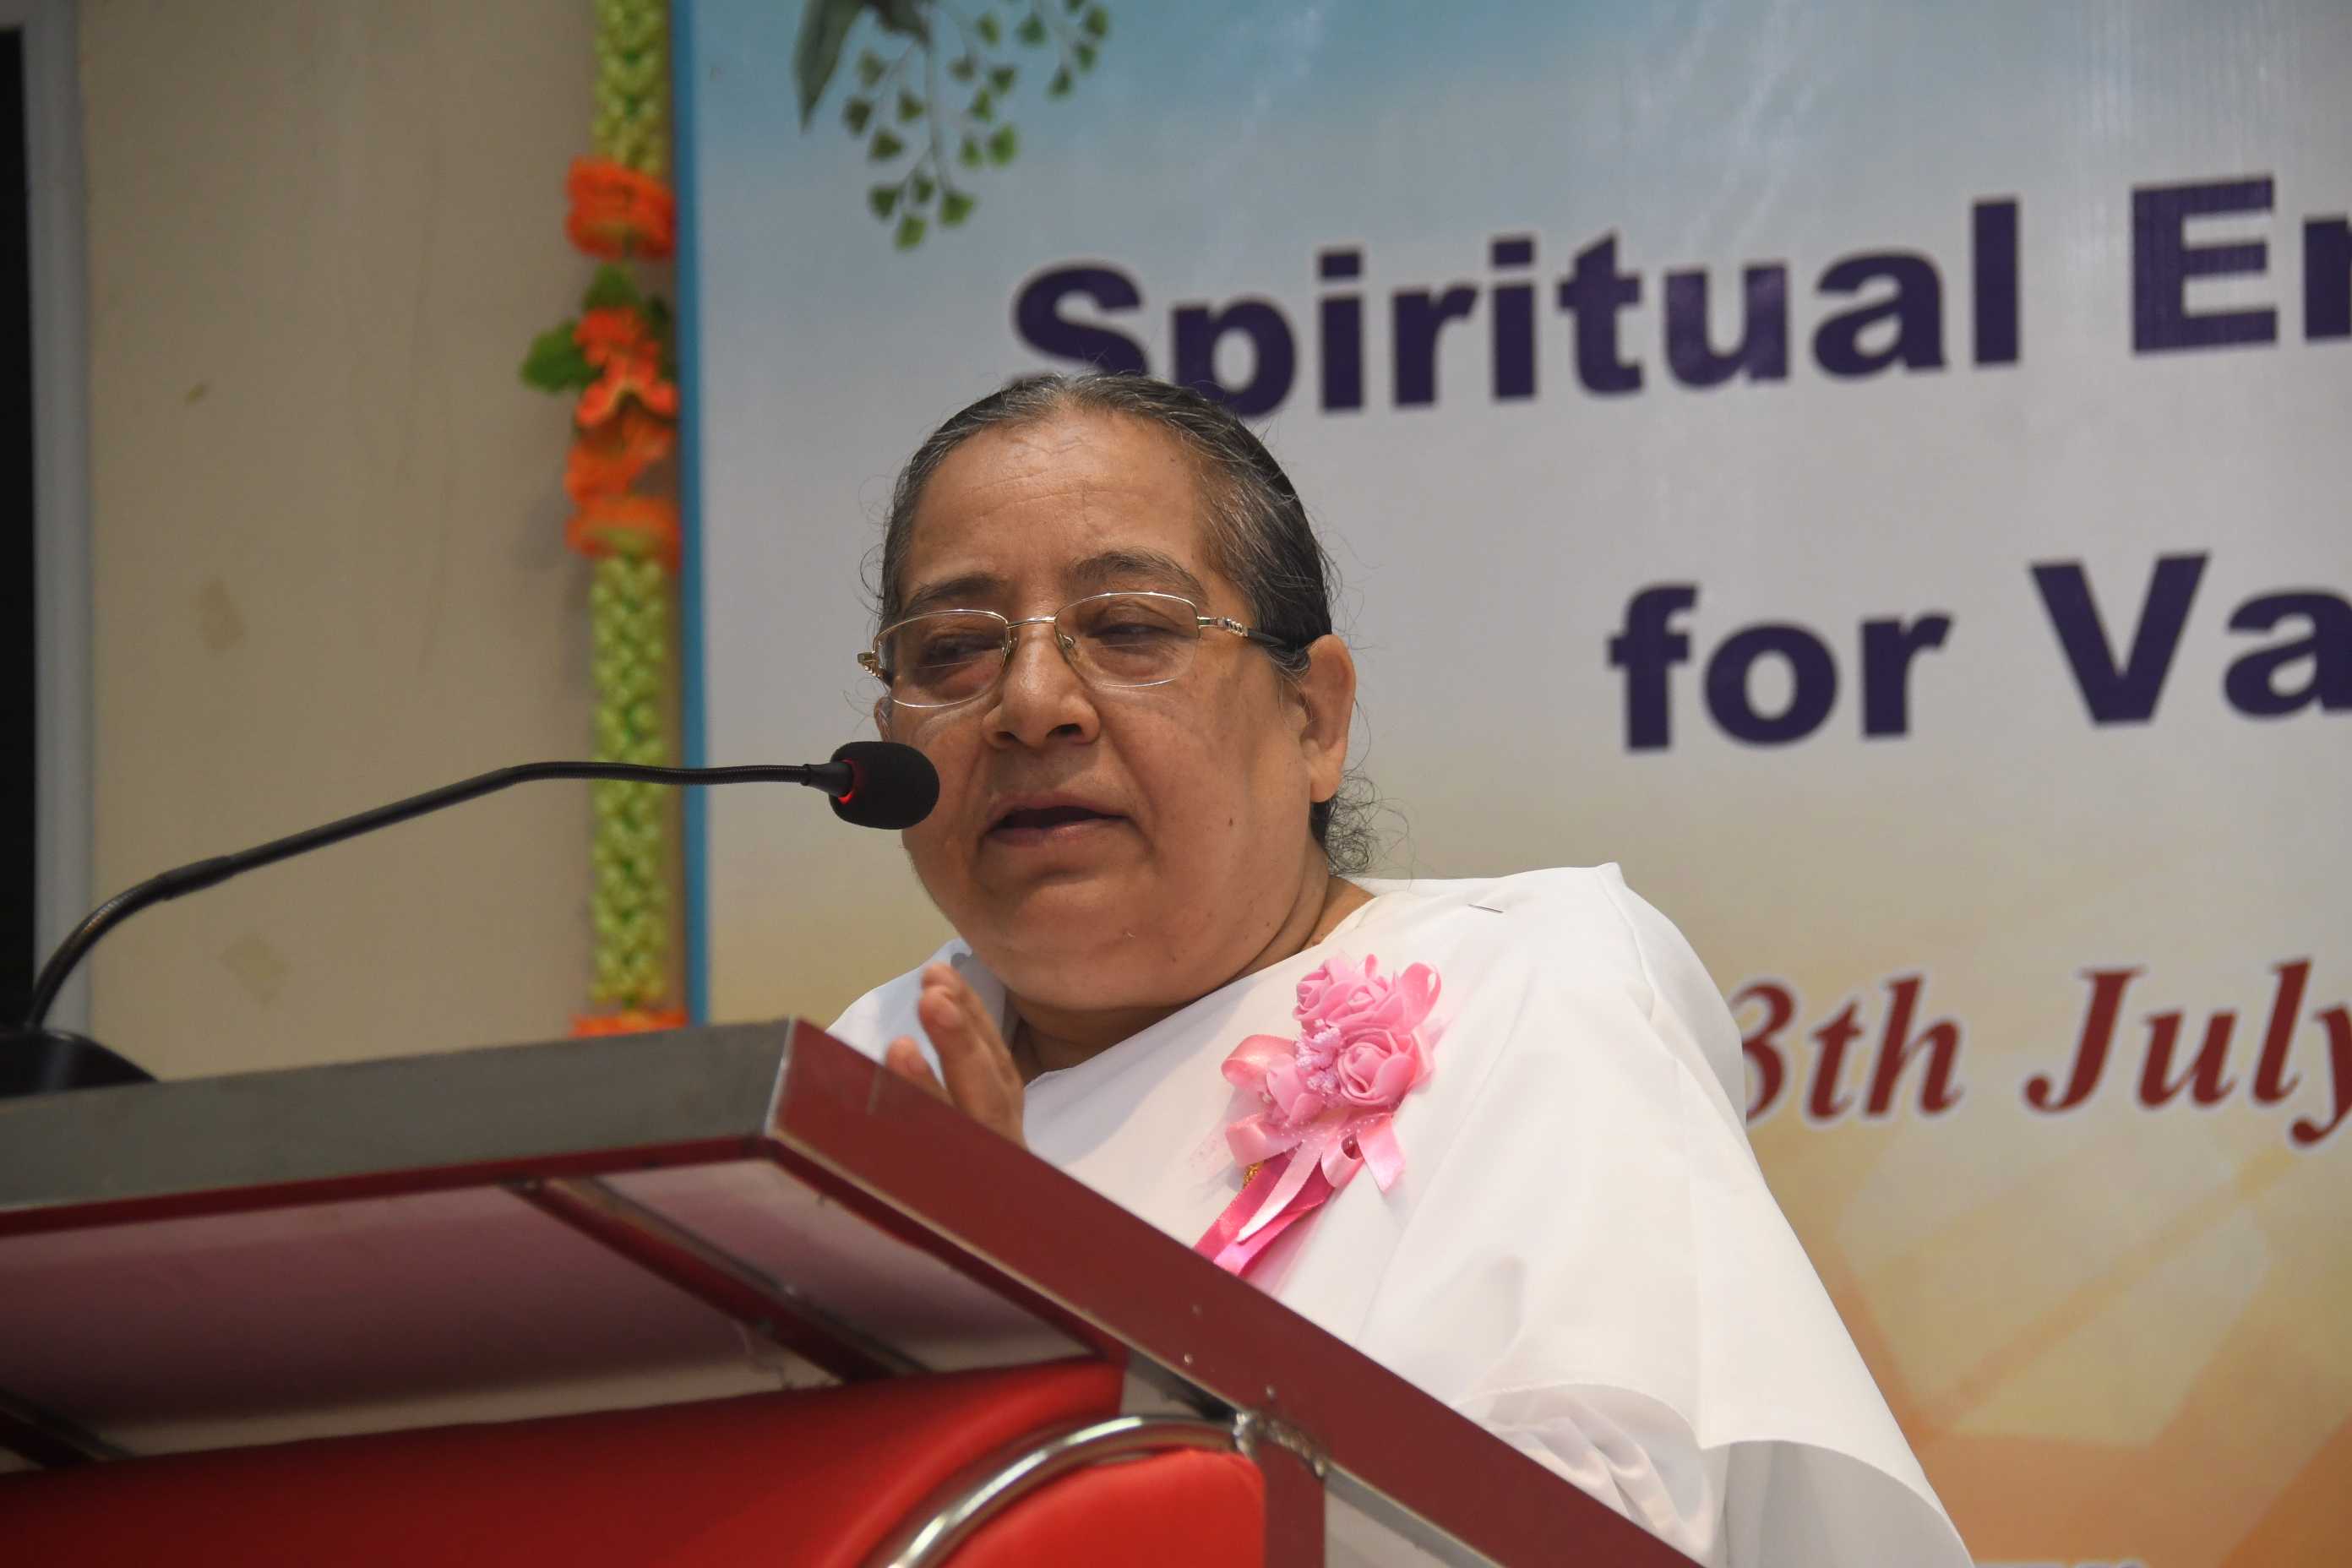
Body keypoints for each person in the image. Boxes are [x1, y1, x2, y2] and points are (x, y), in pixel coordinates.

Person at [825, 371, 1971, 1566]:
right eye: (952, 649)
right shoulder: (867, 1070)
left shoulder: (1532, 989)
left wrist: (1059, 1357)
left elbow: (1587, 1542)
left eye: (1129, 629)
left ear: (1314, 720)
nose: (1030, 703)